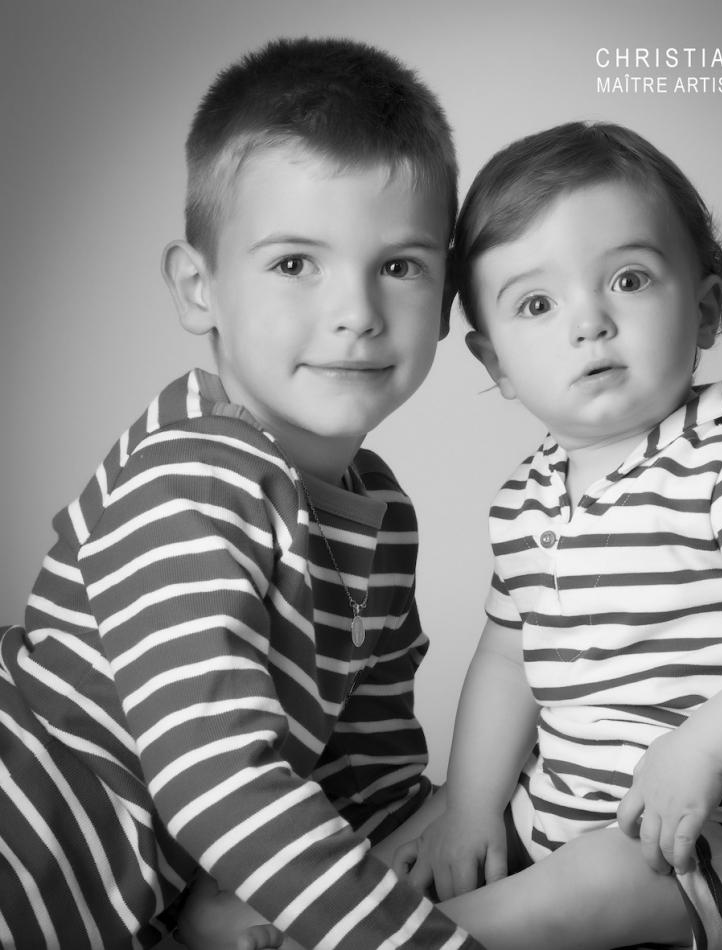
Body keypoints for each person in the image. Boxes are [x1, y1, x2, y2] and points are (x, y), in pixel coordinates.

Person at [0, 36, 481, 950]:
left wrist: (500, 817)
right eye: (295, 263)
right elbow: (215, 781)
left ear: (448, 296)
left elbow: (366, 786)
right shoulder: (191, 477)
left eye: (399, 265)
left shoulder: (380, 517)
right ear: (199, 288)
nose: (356, 312)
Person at [395, 122, 722, 950]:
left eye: (628, 279)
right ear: (496, 362)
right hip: (562, 809)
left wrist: (705, 748)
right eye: (538, 305)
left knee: (599, 882)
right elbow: (506, 661)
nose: (589, 323)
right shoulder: (525, 500)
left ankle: (422, 938)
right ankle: (308, 912)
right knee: (430, 835)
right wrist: (471, 809)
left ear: (707, 307)